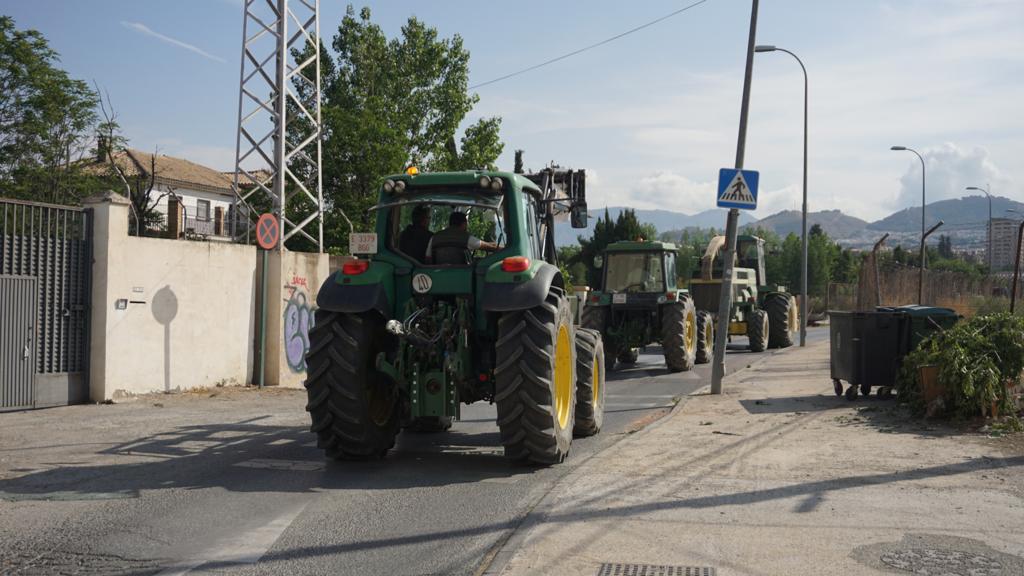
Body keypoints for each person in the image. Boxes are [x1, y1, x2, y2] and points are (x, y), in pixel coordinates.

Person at [426, 211, 498, 265]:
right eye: (466, 224)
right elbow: (490, 247)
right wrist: (506, 248)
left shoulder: (435, 237)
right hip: (463, 276)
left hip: (437, 276)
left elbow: (428, 259)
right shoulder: (466, 238)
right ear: (464, 224)